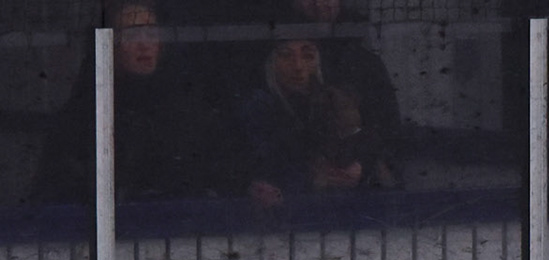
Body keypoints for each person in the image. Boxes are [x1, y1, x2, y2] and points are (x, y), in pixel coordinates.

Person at [30, 0, 237, 204]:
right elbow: (54, 193)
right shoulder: (84, 115)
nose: (144, 44)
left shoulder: (186, 110)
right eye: (131, 35)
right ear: (108, 45)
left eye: (151, 33)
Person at [238, 36, 395, 209]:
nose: (298, 66)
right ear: (271, 64)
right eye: (286, 56)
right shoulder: (258, 107)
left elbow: (369, 140)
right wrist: (309, 178)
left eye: (308, 56)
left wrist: (360, 168)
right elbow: (260, 164)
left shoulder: (336, 100)